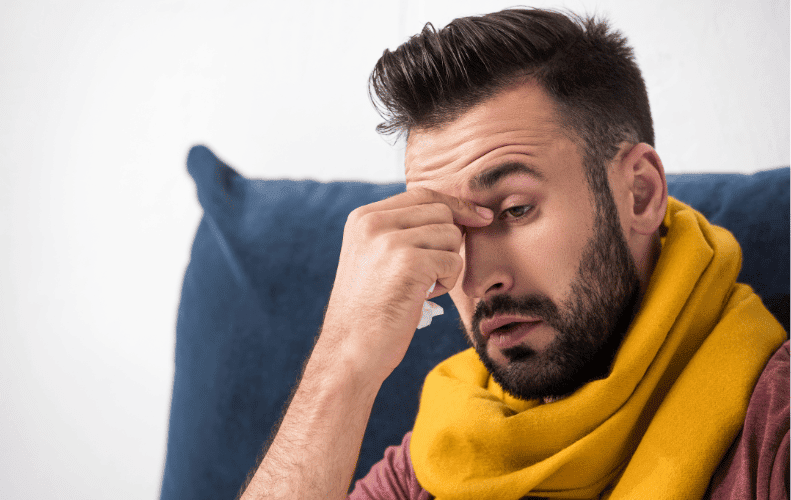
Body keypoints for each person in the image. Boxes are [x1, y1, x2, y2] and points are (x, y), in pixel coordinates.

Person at [239, 8, 788, 500]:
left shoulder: (773, 424)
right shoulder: (437, 460)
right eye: (450, 231)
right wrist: (343, 362)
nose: (477, 279)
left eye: (515, 210)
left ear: (639, 194)